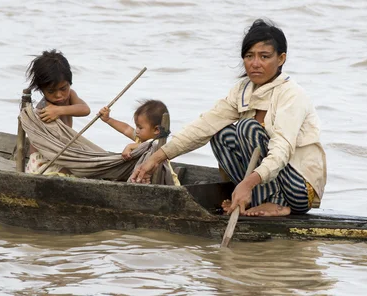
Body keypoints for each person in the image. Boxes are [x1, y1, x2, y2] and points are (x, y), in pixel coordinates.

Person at [130, 19, 326, 216]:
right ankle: (254, 200)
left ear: (281, 59)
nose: (255, 64)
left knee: (247, 127)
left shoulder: (291, 94)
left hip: (298, 190)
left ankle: (274, 203)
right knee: (220, 133)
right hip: (258, 187)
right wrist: (156, 158)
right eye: (249, 56)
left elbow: (281, 150)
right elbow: (204, 126)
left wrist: (246, 184)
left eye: (264, 56)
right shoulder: (242, 91)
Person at [24, 49, 91, 175]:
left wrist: (59, 110)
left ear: (69, 83)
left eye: (63, 88)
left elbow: (85, 109)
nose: (59, 95)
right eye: (51, 91)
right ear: (42, 90)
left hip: (63, 155)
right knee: (74, 174)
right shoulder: (43, 110)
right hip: (43, 161)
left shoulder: (70, 95)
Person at [98, 99, 181, 186]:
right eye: (136, 126)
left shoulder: (159, 143)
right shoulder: (141, 138)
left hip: (167, 182)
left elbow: (151, 146)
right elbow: (126, 129)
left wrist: (130, 146)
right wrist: (108, 119)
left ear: (156, 130)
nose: (137, 131)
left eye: (140, 127)